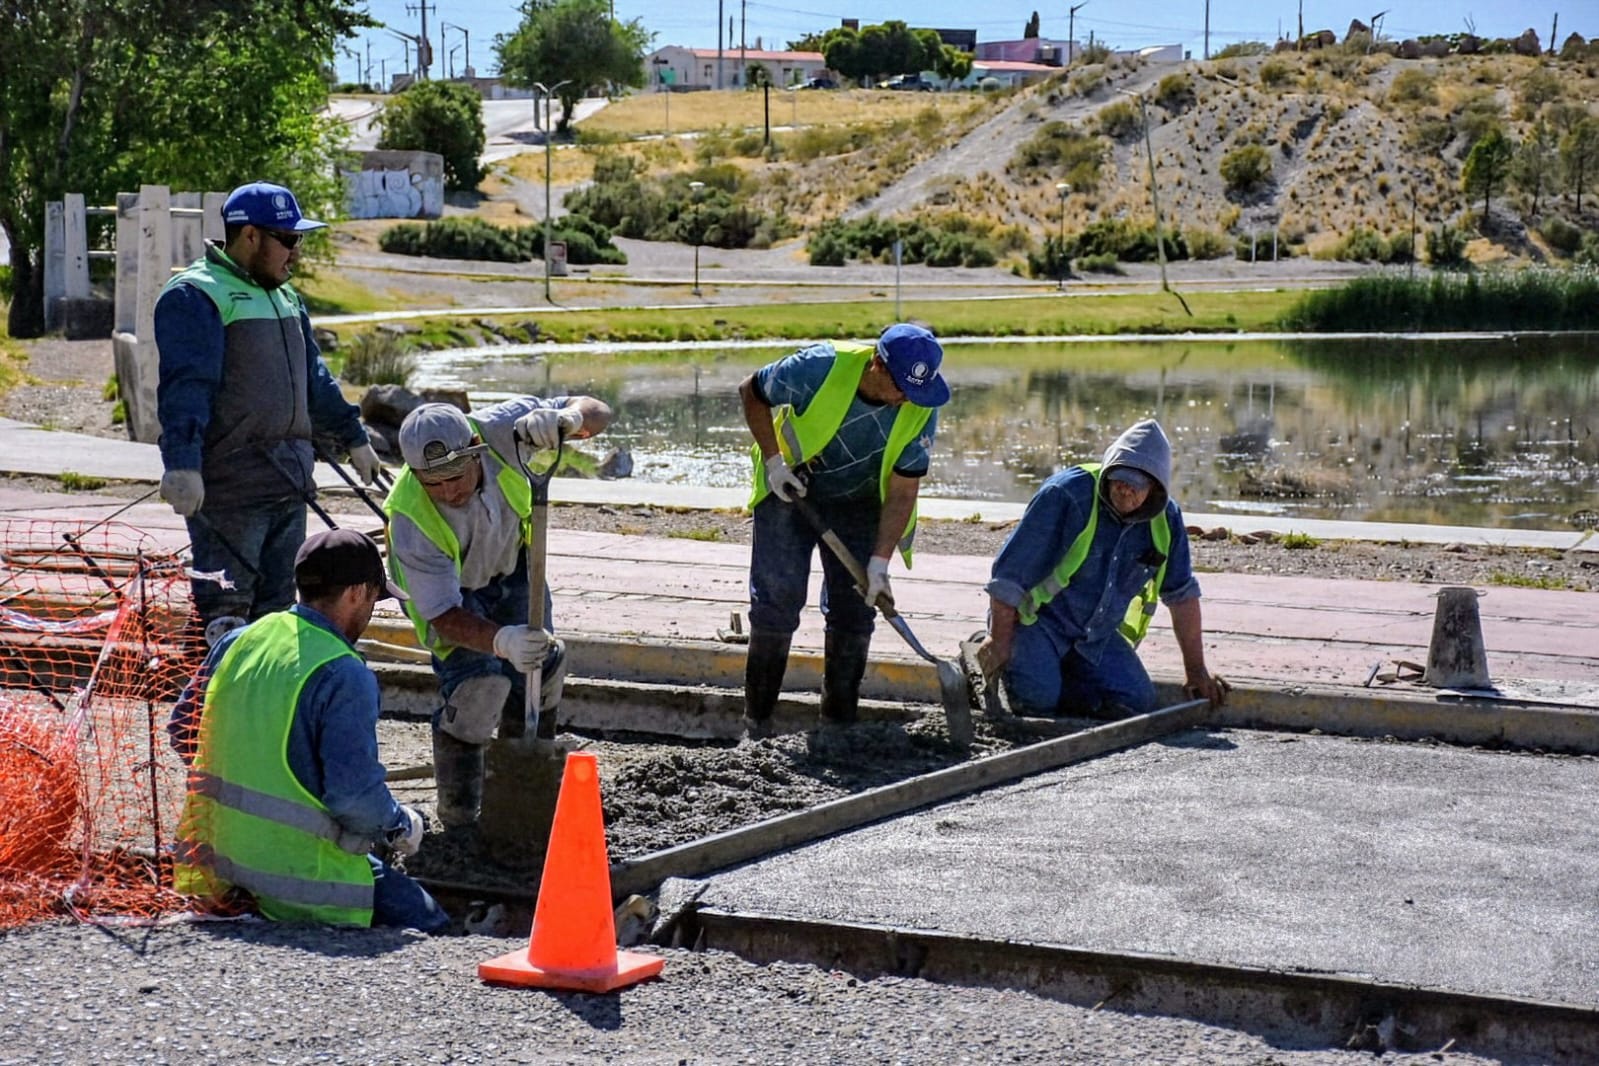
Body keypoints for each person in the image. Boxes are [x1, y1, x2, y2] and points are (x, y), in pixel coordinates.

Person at [169, 529, 447, 932]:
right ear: (356, 593)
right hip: (304, 884)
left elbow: (183, 732)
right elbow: (354, 800)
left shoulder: (238, 641)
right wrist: (399, 823)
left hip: (218, 865)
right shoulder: (344, 672)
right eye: (373, 597)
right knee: (431, 925)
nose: (371, 611)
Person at [154, 181, 383, 640]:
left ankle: (265, 710)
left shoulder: (285, 295)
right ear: (250, 236)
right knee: (226, 618)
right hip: (232, 491)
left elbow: (315, 377)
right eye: (289, 239)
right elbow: (186, 389)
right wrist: (181, 465)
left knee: (278, 614)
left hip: (290, 482)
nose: (296, 252)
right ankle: (206, 710)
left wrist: (353, 436)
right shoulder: (197, 294)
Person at [384, 396, 612, 828]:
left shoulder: (505, 428)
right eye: (434, 483)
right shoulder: (409, 520)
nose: (449, 491)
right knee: (478, 691)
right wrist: (500, 641)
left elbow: (599, 411)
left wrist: (570, 418)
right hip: (456, 602)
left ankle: (520, 789)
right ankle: (459, 817)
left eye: (456, 475)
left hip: (513, 569)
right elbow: (443, 615)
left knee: (542, 667)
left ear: (476, 447)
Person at [739, 323, 950, 737]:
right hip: (792, 490)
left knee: (855, 609)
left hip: (860, 502)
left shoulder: (922, 402)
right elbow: (751, 391)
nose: (906, 398)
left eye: (915, 390)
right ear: (876, 364)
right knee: (776, 603)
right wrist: (774, 462)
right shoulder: (820, 366)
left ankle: (838, 727)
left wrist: (879, 562)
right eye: (900, 386)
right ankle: (757, 723)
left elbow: (904, 490)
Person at [973, 418, 1229, 718]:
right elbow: (1007, 579)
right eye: (1118, 480)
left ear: (1155, 490)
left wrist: (1196, 670)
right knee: (1036, 702)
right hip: (1037, 624)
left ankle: (1053, 675)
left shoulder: (1166, 520)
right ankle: (1001, 657)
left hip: (1093, 635)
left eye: (1135, 486)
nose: (1124, 491)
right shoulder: (1066, 495)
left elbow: (1182, 595)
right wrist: (999, 642)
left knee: (1136, 701)